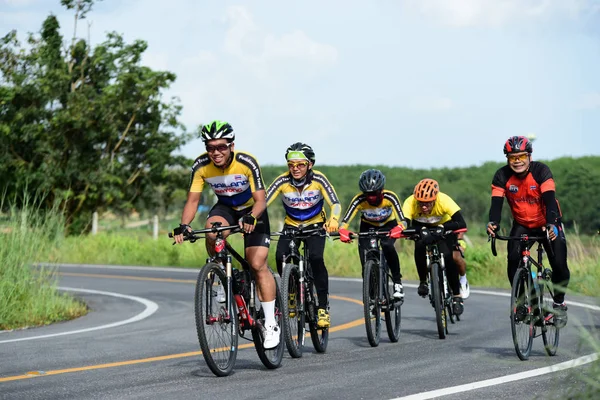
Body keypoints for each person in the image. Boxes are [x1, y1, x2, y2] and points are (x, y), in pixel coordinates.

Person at [172, 120, 280, 349]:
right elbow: (193, 200)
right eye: (210, 147)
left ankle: (270, 323)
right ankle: (222, 276)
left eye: (221, 146)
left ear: (231, 145)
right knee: (212, 231)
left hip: (253, 209)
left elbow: (261, 199)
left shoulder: (246, 162)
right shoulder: (201, 165)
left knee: (257, 263)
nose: (215, 152)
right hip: (226, 208)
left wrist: (251, 217)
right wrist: (184, 225)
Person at [486, 135, 570, 327]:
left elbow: (550, 200)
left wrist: (551, 224)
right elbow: (496, 205)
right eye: (513, 158)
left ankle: (559, 304)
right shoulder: (501, 176)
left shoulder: (541, 171)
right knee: (514, 260)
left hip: (547, 221)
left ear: (529, 157)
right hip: (522, 223)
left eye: (521, 157)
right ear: (507, 159)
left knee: (559, 263)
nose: (517, 162)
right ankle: (524, 301)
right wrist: (493, 223)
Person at [266, 142, 341, 328]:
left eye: (300, 165)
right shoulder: (282, 181)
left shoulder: (319, 179)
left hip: (315, 225)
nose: (295, 169)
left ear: (310, 165)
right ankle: (291, 292)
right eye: (291, 165)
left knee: (316, 258)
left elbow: (335, 203)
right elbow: (264, 202)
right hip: (291, 225)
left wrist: (334, 219)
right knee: (279, 256)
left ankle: (322, 308)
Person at [338, 169, 407, 299]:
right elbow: (345, 222)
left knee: (387, 246)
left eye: (374, 194)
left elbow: (403, 220)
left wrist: (400, 227)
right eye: (367, 194)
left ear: (381, 190)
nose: (371, 198)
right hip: (367, 226)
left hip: (388, 225)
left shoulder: (390, 197)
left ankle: (397, 282)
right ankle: (371, 293)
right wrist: (343, 231)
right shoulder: (359, 200)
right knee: (365, 259)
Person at [402, 178, 468, 315]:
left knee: (449, 256)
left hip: (444, 226)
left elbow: (461, 223)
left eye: (427, 203)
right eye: (421, 203)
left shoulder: (444, 200)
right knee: (419, 245)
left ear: (435, 199)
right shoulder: (410, 202)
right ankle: (423, 281)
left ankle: (457, 295)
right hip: (420, 227)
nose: (424, 207)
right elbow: (405, 224)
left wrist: (443, 227)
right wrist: (410, 231)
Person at [452, 232, 470, 299]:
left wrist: (458, 237)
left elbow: (461, 226)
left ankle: (463, 280)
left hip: (453, 238)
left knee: (456, 257)